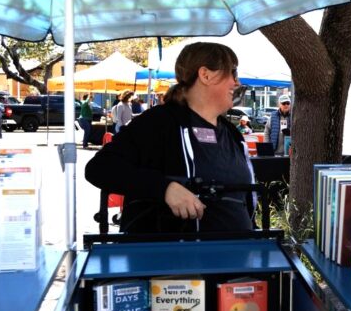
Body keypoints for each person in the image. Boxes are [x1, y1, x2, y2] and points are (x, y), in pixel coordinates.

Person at [85, 42, 255, 234]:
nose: (237, 82)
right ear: (205, 75)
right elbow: (99, 168)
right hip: (172, 259)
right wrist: (165, 188)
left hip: (236, 257)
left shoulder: (231, 132)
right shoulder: (159, 123)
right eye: (233, 72)